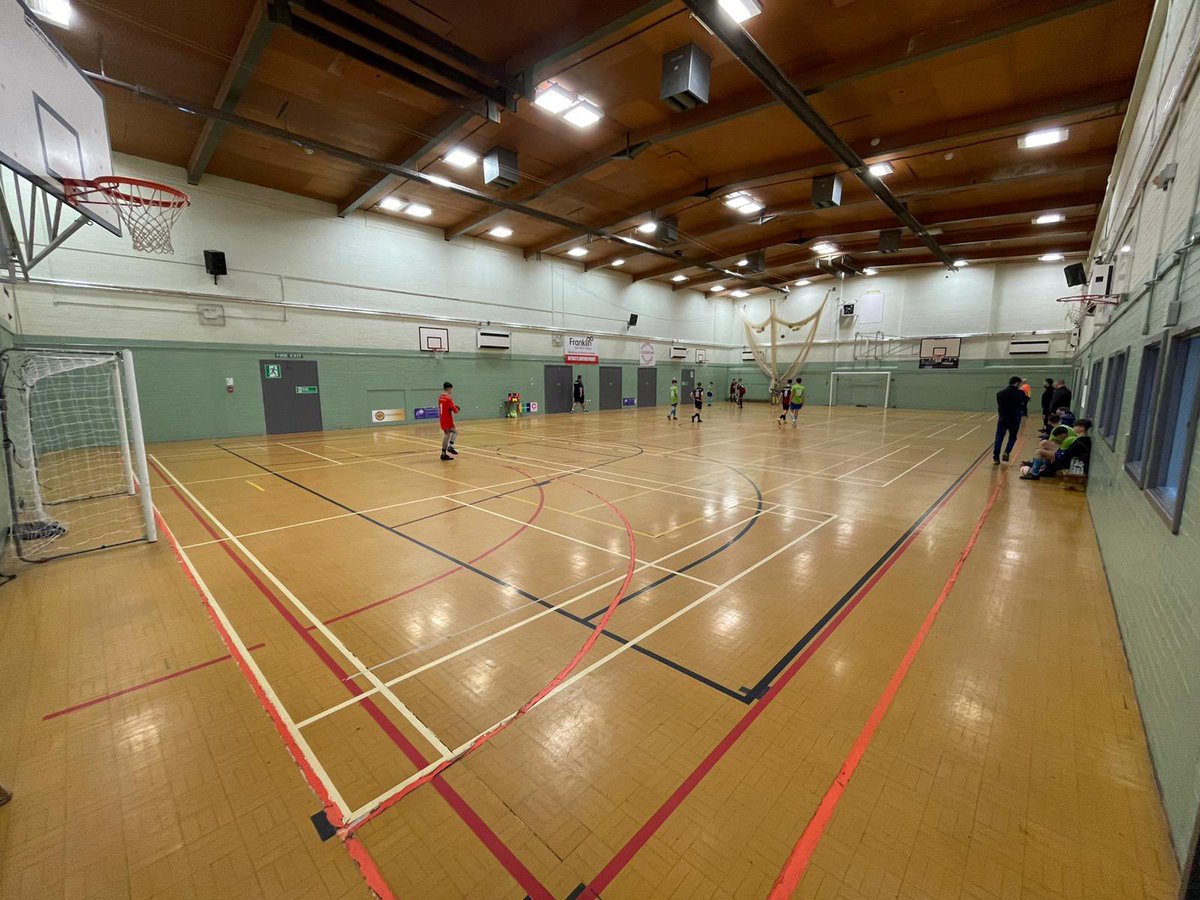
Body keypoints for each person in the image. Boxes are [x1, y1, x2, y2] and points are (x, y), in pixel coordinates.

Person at [1022, 419, 1092, 480]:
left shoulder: (1081, 441)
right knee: (1044, 445)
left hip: (1064, 459)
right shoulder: (1079, 439)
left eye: (1075, 426)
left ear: (1082, 428)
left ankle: (1034, 474)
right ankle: (1042, 466)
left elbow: (1067, 455)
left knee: (1039, 451)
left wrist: (1055, 459)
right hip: (1064, 456)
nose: (1073, 427)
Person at [993, 375, 1025, 464]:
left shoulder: (1000, 394)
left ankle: (996, 457)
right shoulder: (1021, 393)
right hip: (1015, 418)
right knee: (1012, 437)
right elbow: (1022, 405)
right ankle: (1007, 451)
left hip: (1003, 418)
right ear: (1017, 383)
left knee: (999, 437)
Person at [438, 381, 459, 461]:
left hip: (442, 418)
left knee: (447, 435)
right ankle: (450, 446)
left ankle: (443, 453)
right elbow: (455, 410)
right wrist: (456, 408)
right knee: (454, 432)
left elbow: (446, 407)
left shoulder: (441, 397)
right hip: (448, 419)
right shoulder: (448, 398)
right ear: (449, 388)